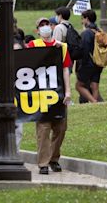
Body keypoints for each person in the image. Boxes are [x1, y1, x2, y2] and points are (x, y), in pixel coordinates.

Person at [27, 17, 72, 175]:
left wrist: (68, 91)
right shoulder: (33, 45)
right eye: (42, 25)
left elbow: (66, 69)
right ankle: (43, 163)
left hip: (58, 92)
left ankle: (54, 158)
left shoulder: (62, 47)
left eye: (47, 24)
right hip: (41, 94)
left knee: (60, 128)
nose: (45, 27)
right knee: (44, 129)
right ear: (37, 30)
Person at [75, 10, 103, 103]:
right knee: (94, 86)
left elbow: (84, 50)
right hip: (99, 62)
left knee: (78, 86)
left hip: (88, 63)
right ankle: (96, 105)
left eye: (82, 19)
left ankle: (93, 101)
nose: (82, 21)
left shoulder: (86, 33)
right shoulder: (99, 30)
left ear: (87, 19)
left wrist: (81, 65)